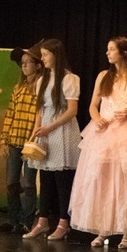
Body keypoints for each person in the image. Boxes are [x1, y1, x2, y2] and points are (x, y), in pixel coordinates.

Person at [69, 36, 127, 248]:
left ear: (123, 53)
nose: (107, 53)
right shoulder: (103, 76)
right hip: (104, 133)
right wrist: (97, 120)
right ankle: (102, 229)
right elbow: (92, 106)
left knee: (125, 182)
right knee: (102, 181)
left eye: (111, 49)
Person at [23, 38, 81, 241]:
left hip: (62, 131)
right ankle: (43, 221)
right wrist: (36, 130)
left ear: (56, 55)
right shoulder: (42, 80)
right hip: (46, 131)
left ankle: (64, 222)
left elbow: (72, 110)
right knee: (45, 179)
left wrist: (50, 127)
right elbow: (40, 109)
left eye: (46, 54)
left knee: (62, 180)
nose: (43, 58)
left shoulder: (69, 79)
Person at [0, 44, 42, 235]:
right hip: (14, 140)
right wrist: (4, 139)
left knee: (29, 184)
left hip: (30, 142)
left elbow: (40, 115)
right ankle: (13, 219)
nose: (24, 67)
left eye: (28, 63)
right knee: (11, 182)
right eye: (22, 63)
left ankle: (26, 221)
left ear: (38, 65)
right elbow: (11, 114)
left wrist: (35, 137)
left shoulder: (40, 88)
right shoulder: (19, 88)